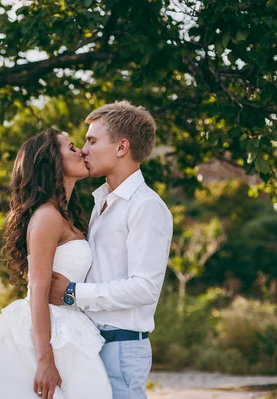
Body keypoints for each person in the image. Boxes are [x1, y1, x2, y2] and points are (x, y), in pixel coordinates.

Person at [0, 128, 112, 399]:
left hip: (70, 329)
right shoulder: (47, 216)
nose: (82, 151)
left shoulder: (66, 215)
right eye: (72, 147)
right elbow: (37, 288)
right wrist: (45, 360)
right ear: (52, 162)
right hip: (48, 334)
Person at [49, 101, 173, 399]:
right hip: (92, 345)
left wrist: (72, 293)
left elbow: (145, 288)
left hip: (121, 349)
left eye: (92, 140)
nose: (85, 150)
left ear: (121, 147)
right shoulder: (101, 201)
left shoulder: (146, 206)